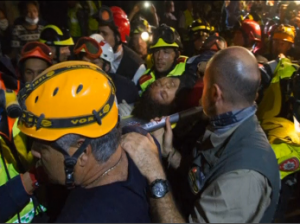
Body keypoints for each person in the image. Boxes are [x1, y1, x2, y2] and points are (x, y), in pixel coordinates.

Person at [121, 46, 280, 223]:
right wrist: (170, 153)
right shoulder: (224, 126)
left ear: (214, 94)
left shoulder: (243, 180)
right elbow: (200, 180)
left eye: (204, 85)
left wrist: (155, 175)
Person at [17, 61, 151, 222]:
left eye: (42, 146)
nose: (34, 151)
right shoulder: (141, 154)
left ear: (82, 153)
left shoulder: (82, 217)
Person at [73, 34, 139, 104]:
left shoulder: (126, 89)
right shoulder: (71, 87)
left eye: (94, 63)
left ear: (106, 67)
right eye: (85, 62)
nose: (88, 67)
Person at [138, 24, 196, 92]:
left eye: (166, 52)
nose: (159, 57)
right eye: (156, 51)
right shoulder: (144, 81)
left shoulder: (187, 64)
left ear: (177, 54)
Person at [96, 6, 146, 85]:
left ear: (118, 37)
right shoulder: (92, 55)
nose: (99, 37)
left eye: (104, 34)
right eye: (98, 32)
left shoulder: (137, 67)